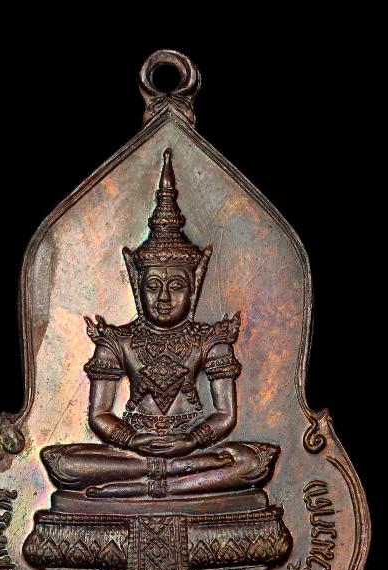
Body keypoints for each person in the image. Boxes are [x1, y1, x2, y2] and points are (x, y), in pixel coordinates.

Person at [41, 149, 279, 500]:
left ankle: (147, 482)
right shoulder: (116, 340)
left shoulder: (211, 340)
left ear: (193, 289)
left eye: (176, 285)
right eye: (153, 285)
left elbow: (225, 415)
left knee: (252, 461)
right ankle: (167, 479)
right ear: (138, 288)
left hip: (191, 450)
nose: (164, 297)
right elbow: (100, 415)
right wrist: (133, 440)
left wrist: (191, 440)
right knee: (63, 461)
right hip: (134, 452)